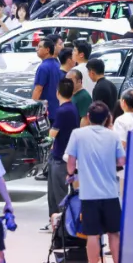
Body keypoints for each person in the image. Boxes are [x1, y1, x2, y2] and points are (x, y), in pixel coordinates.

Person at [66, 102, 124, 263]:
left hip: (89, 195)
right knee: (114, 233)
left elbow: (71, 163)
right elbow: (121, 160)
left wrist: (71, 173)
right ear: (107, 118)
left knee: (92, 235)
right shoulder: (113, 136)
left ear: (88, 117)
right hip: (111, 193)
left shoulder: (78, 134)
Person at [47, 79, 80, 226]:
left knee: (58, 192)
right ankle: (56, 222)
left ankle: (63, 224)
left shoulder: (62, 111)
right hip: (64, 155)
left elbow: (52, 133)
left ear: (57, 93)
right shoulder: (72, 108)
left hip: (60, 157)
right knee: (55, 191)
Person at [31, 38, 62, 119]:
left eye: (40, 47)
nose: (37, 49)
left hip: (46, 111)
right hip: (57, 109)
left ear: (47, 50)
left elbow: (38, 89)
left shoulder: (43, 67)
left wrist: (31, 109)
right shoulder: (57, 65)